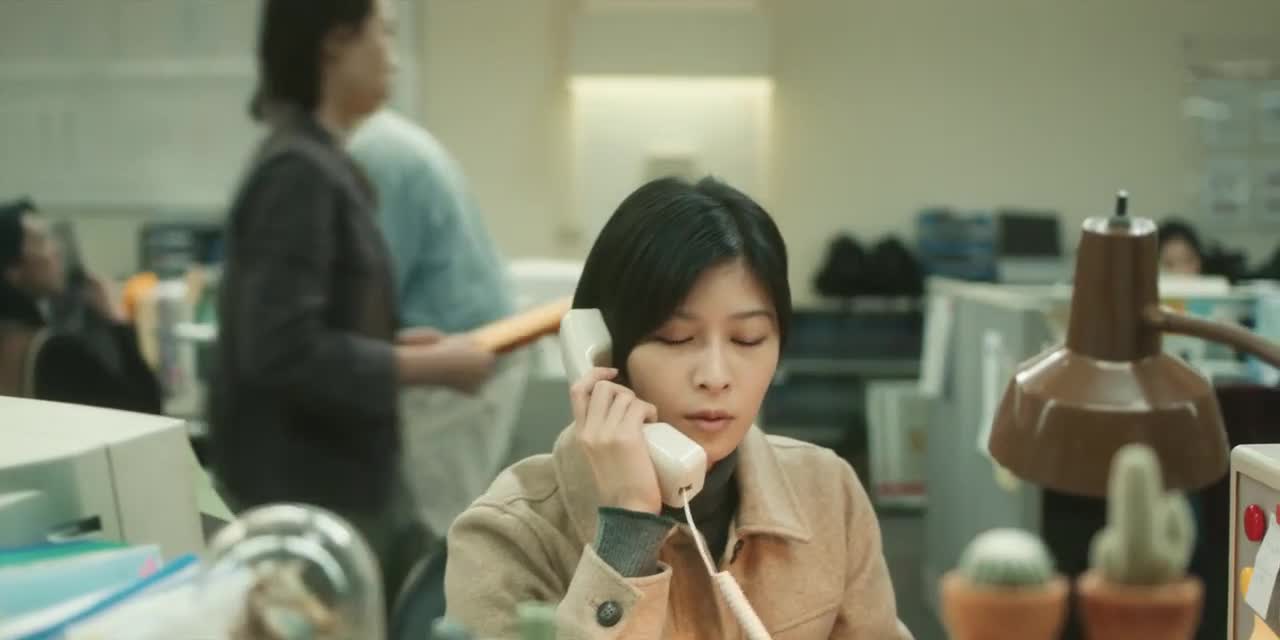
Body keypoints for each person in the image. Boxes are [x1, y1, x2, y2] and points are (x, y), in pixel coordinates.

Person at [444, 177, 912, 638]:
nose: (715, 375)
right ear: (603, 354)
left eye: (748, 339)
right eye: (675, 338)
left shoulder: (828, 492)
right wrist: (628, 529)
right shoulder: (510, 534)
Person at [207, 0, 483, 609]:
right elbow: (280, 350)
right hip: (309, 495)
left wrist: (392, 345)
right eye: (382, 34)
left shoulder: (322, 162)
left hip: (339, 483)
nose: (393, 58)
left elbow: (316, 325)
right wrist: (425, 367)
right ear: (335, 41)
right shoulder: (298, 173)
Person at [347, 109, 528, 542]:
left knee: (443, 531)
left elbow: (372, 285)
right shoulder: (384, 142)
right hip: (460, 355)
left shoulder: (374, 157)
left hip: (455, 370)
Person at [0, 198, 161, 413]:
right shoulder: (51, 352)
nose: (56, 250)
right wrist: (117, 319)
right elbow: (146, 409)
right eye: (43, 241)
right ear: (13, 269)